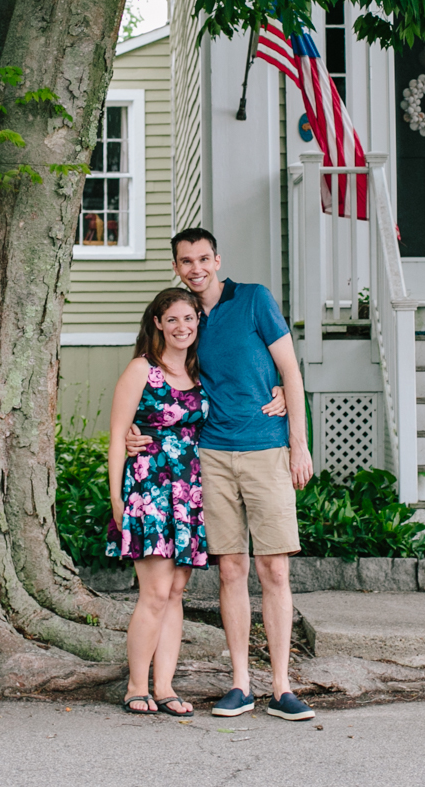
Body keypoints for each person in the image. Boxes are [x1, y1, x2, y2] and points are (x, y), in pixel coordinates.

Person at [124, 228, 315, 721]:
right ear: (177, 267)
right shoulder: (185, 319)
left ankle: (281, 687)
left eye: (203, 258)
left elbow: (290, 372)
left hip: (265, 449)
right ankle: (240, 684)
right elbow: (164, 385)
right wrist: (132, 433)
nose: (196, 267)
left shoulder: (253, 300)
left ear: (217, 259)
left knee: (274, 569)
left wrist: (299, 442)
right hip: (208, 455)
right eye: (186, 261)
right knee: (231, 570)